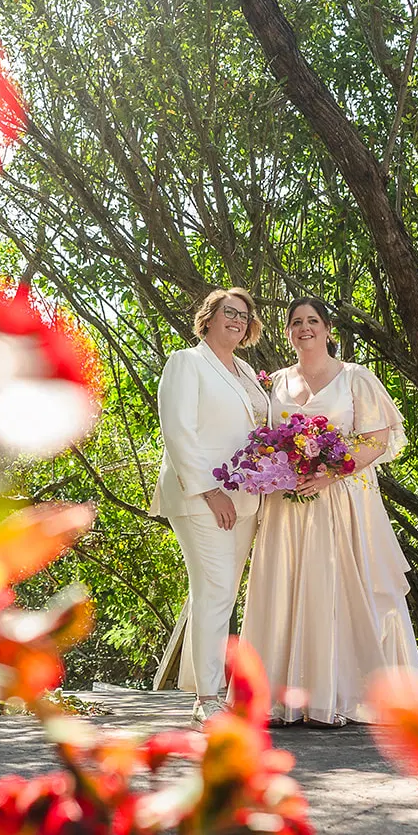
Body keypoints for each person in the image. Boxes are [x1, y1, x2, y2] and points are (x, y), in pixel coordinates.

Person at [237, 297, 418, 726]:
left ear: (327, 330)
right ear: (286, 332)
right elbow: (263, 438)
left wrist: (328, 473)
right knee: (289, 586)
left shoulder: (355, 377)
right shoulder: (276, 384)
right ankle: (286, 695)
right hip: (288, 504)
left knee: (344, 585)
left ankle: (346, 693)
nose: (305, 328)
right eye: (296, 322)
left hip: (345, 500)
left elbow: (376, 439)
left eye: (313, 321)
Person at [151, 287, 272, 726]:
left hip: (247, 499)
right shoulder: (187, 363)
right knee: (216, 590)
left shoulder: (245, 371)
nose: (237, 320)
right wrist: (209, 490)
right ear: (209, 318)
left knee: (217, 593)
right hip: (200, 497)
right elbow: (179, 432)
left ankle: (206, 687)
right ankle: (207, 698)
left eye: (244, 315)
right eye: (229, 313)